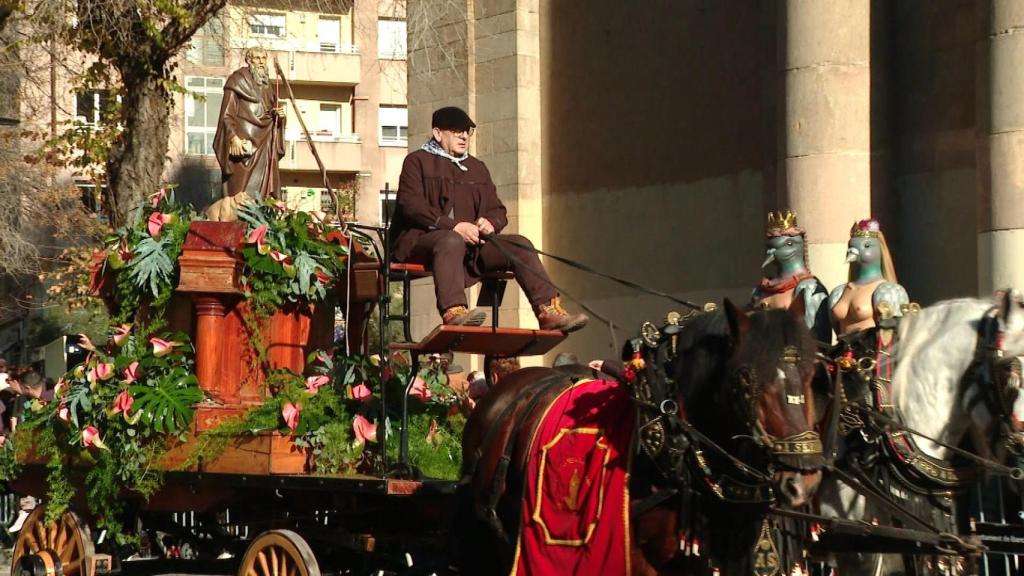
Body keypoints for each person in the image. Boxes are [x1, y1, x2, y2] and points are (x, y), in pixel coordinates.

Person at [389, 106, 588, 331]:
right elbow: (411, 206)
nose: (464, 136)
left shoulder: (477, 168)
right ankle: (453, 310)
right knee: (451, 239)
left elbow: (498, 210)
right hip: (421, 242)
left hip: (470, 247)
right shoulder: (416, 161)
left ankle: (548, 311)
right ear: (437, 133)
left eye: (467, 131)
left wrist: (491, 222)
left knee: (519, 244)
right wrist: (454, 226)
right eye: (456, 131)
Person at [207, 47, 286, 221]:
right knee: (239, 192)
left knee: (262, 194)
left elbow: (272, 113)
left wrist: (280, 117)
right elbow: (226, 115)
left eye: (263, 58)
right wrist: (233, 138)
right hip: (244, 146)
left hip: (265, 143)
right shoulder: (237, 80)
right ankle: (236, 225)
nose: (261, 62)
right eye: (256, 58)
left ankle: (260, 226)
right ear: (248, 60)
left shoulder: (269, 86)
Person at [749, 210, 830, 343]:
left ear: (793, 245)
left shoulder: (809, 288)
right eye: (769, 246)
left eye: (779, 245)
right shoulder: (761, 288)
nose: (770, 251)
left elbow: (817, 341)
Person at [829, 218, 909, 336]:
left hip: (871, 347)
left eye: (866, 245)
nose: (854, 249)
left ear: (880, 250)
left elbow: (895, 334)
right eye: (851, 246)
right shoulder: (839, 292)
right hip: (842, 346)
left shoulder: (889, 290)